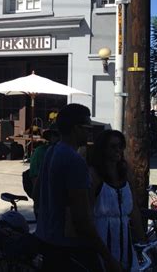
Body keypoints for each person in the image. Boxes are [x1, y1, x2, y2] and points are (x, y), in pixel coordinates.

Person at [35, 103, 122, 272]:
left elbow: (36, 194)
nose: (89, 132)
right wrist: (107, 257)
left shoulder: (51, 151)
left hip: (45, 239)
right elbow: (82, 219)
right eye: (87, 127)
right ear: (76, 129)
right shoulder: (75, 161)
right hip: (69, 248)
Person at [88, 130, 145, 271]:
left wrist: (142, 239)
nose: (118, 150)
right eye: (113, 146)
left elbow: (134, 211)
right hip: (101, 238)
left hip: (124, 240)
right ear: (103, 148)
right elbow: (86, 215)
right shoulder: (93, 175)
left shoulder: (125, 173)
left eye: (120, 146)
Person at [29, 128, 60, 217]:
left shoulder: (67, 153)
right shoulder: (40, 151)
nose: (57, 138)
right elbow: (34, 178)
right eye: (54, 135)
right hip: (44, 201)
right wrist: (38, 200)